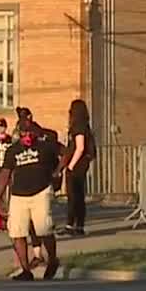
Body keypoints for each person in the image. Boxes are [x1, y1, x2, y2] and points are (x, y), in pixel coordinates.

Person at [1, 117, 62, 281]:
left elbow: (65, 154)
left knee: (44, 229)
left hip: (41, 192)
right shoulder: (12, 151)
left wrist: (57, 172)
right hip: (18, 195)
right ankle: (25, 269)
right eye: (23, 132)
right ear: (18, 133)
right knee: (17, 231)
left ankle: (52, 260)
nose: (27, 135)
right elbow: (5, 174)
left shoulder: (45, 146)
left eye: (29, 132)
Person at [60, 99, 96, 236]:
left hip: (77, 165)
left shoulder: (79, 126)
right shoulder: (84, 125)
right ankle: (79, 225)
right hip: (82, 165)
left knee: (73, 196)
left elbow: (79, 148)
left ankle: (71, 225)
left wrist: (70, 166)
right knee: (79, 196)